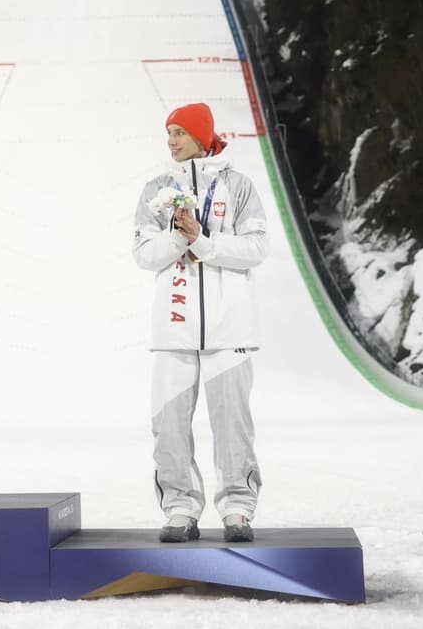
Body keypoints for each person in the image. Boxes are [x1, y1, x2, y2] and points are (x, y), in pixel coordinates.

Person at [132, 103, 269, 544]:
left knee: (233, 423)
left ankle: (237, 509)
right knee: (168, 424)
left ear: (201, 135)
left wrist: (203, 242)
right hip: (173, 328)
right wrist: (178, 234)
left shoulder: (238, 186)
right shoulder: (156, 188)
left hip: (231, 328)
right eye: (168, 132)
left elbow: (256, 248)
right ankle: (179, 509)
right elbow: (144, 255)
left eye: (179, 133)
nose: (171, 141)